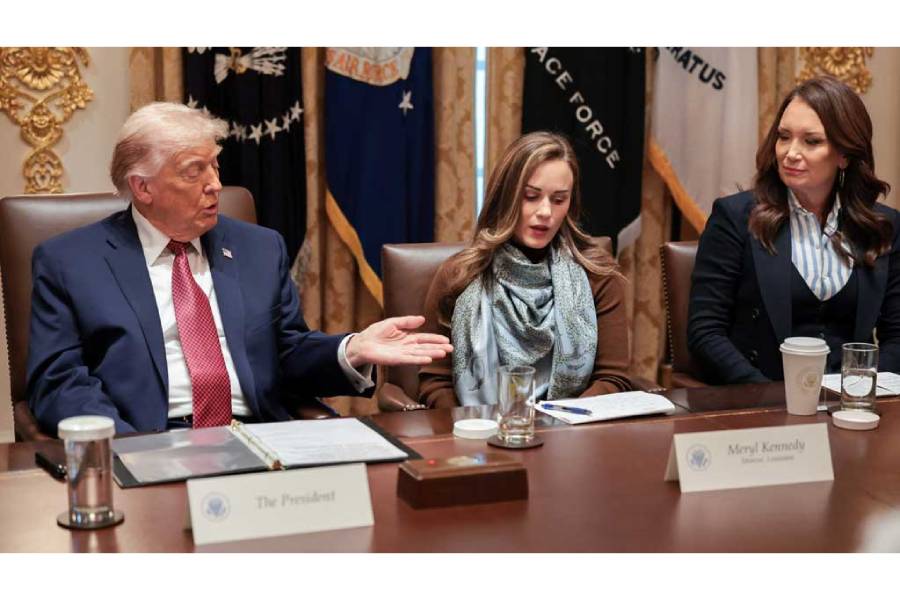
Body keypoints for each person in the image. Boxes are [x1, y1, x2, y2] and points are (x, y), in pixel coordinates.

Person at [26, 102, 452, 434]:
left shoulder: (258, 248)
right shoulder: (70, 263)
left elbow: (287, 352)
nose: (215, 184)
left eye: (214, 164)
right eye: (194, 172)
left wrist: (351, 349)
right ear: (143, 187)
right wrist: (126, 447)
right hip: (149, 438)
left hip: (257, 436)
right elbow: (59, 383)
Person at [688, 75, 900, 384]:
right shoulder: (734, 217)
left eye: (811, 141)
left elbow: (897, 336)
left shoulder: (882, 225)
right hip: (760, 397)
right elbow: (705, 333)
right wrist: (771, 397)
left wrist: (863, 390)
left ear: (844, 155)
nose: (790, 152)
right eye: (784, 136)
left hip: (853, 400)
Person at [418, 131, 632, 407]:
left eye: (559, 200)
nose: (545, 212)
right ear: (505, 197)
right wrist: (473, 423)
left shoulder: (598, 274)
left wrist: (555, 419)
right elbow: (435, 382)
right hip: (477, 428)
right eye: (531, 196)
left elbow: (613, 379)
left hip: (571, 427)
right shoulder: (459, 275)